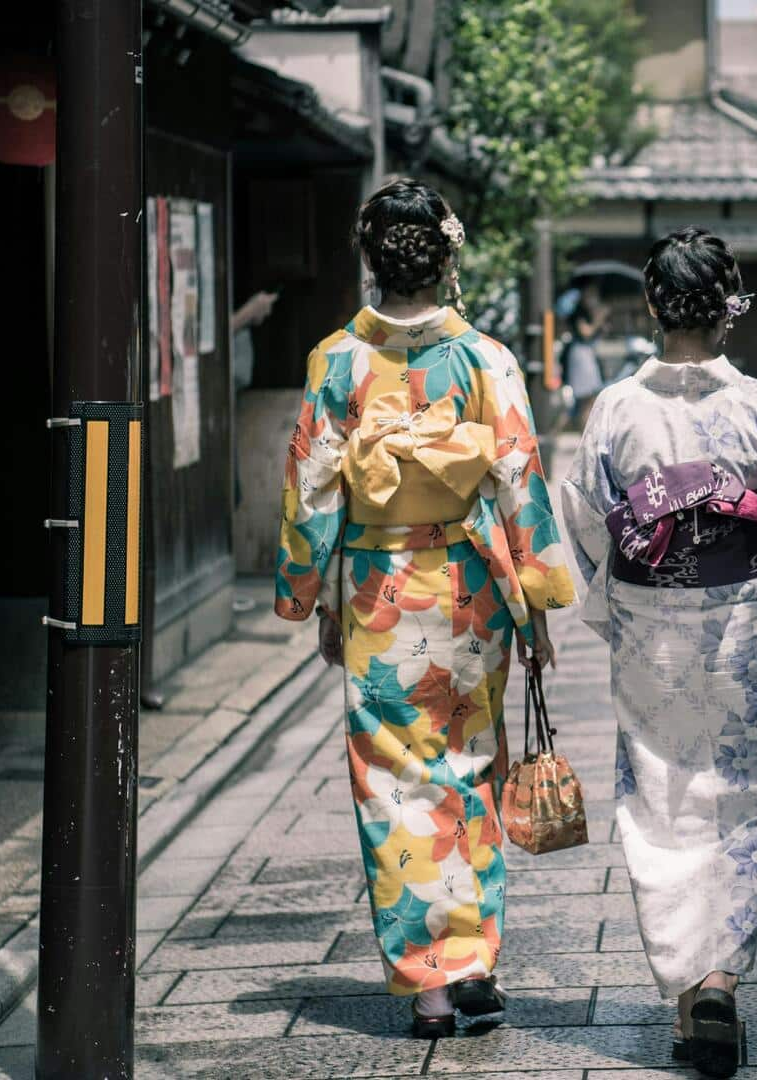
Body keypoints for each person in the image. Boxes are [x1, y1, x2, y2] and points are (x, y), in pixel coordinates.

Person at [273, 176, 574, 1038]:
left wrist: (310, 590)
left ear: (371, 259)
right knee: (470, 763)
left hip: (377, 588)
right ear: (447, 258)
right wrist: (539, 601)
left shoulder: (338, 360)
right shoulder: (485, 357)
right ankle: (475, 961)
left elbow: (313, 488)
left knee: (396, 783)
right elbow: (520, 477)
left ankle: (432, 986)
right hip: (472, 584)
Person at [560, 227, 757, 1078]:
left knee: (661, 796)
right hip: (743, 615)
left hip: (651, 619)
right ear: (728, 309)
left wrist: (616, 598)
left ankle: (687, 998)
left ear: (651, 307)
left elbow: (584, 515)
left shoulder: (615, 408)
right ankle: (719, 979)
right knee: (746, 798)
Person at [559, 286, 608, 431]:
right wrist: (599, 318)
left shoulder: (586, 313)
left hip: (586, 354)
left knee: (590, 399)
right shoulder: (578, 314)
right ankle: (581, 432)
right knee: (585, 399)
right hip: (581, 357)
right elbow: (586, 332)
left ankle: (583, 431)